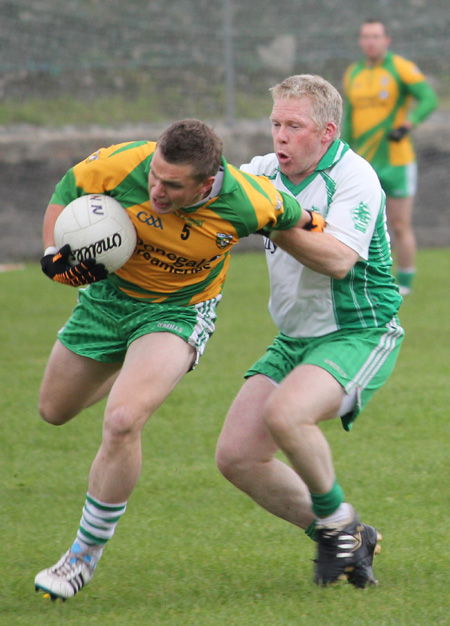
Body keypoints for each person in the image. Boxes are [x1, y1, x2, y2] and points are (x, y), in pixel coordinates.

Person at [34, 118, 324, 600]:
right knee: (54, 410)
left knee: (124, 420)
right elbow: (68, 189)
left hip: (177, 312)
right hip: (107, 301)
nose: (156, 189)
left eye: (172, 185)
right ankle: (131, 370)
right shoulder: (124, 162)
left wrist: (326, 233)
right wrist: (52, 253)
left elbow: (300, 218)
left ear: (207, 183)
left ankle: (81, 558)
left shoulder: (251, 200)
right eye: (155, 176)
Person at [216, 75, 405, 588]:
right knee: (237, 456)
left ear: (326, 131)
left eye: (293, 126)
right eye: (276, 124)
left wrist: (271, 219)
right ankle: (347, 534)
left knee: (286, 415)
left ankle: (338, 524)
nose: (280, 136)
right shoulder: (262, 173)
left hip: (358, 331)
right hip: (295, 339)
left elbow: (340, 260)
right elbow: (212, 189)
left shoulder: (354, 176)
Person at [342, 18, 438, 295]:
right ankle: (362, 281)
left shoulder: (401, 68)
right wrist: (345, 150)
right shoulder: (353, 73)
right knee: (359, 223)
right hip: (364, 162)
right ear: (361, 42)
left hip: (397, 160)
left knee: (399, 223)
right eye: (365, 37)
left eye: (376, 36)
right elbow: (349, 116)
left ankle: (405, 285)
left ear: (387, 40)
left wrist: (410, 123)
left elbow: (429, 98)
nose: (370, 41)